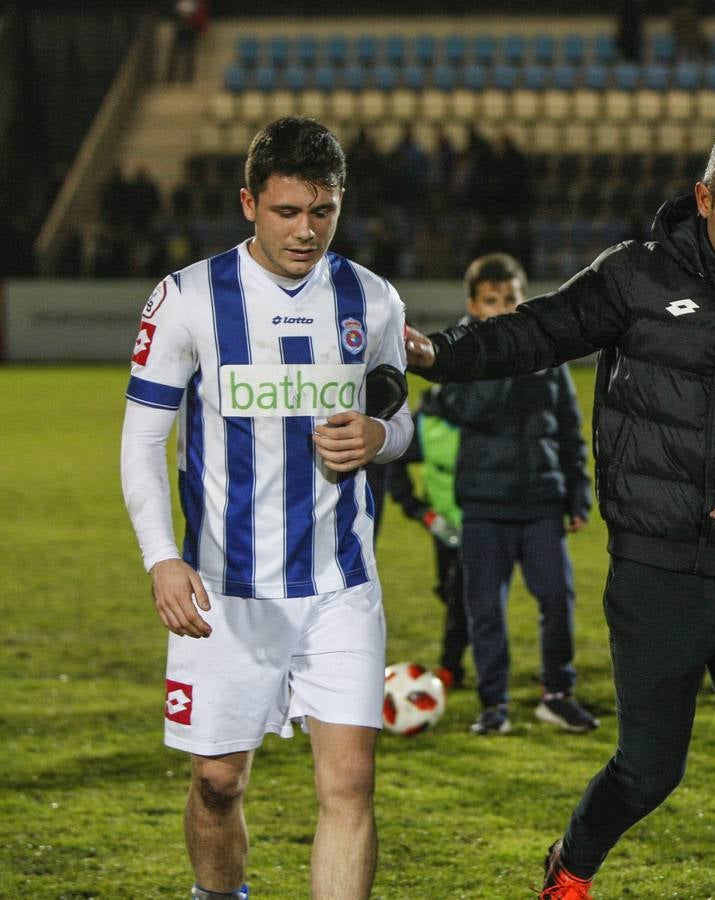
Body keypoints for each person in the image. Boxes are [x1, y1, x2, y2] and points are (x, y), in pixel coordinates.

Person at [405, 123, 715, 899]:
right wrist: (443, 356)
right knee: (651, 769)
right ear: (704, 200)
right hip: (658, 572)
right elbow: (540, 330)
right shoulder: (636, 277)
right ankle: (573, 862)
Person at [119, 117, 411, 900]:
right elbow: (142, 443)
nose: (306, 231)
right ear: (250, 202)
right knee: (217, 782)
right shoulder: (185, 298)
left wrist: (380, 433)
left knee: (349, 787)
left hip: (339, 584)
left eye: (323, 212)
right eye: (287, 212)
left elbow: (400, 413)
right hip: (225, 589)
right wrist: (161, 557)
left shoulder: (372, 298)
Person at [434, 252, 597, 736]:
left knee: (558, 601)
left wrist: (578, 492)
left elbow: (569, 425)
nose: (504, 309)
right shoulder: (459, 355)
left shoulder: (546, 352)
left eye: (511, 299)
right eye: (492, 302)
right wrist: (499, 357)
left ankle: (557, 694)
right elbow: (469, 411)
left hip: (542, 501)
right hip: (485, 503)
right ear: (473, 306)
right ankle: (493, 704)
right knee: (485, 609)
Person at [386, 383, 471, 692]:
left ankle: (452, 667)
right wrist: (417, 509)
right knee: (450, 592)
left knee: (463, 595)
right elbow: (395, 459)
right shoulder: (428, 420)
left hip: (484, 522)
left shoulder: (487, 416)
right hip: (445, 526)